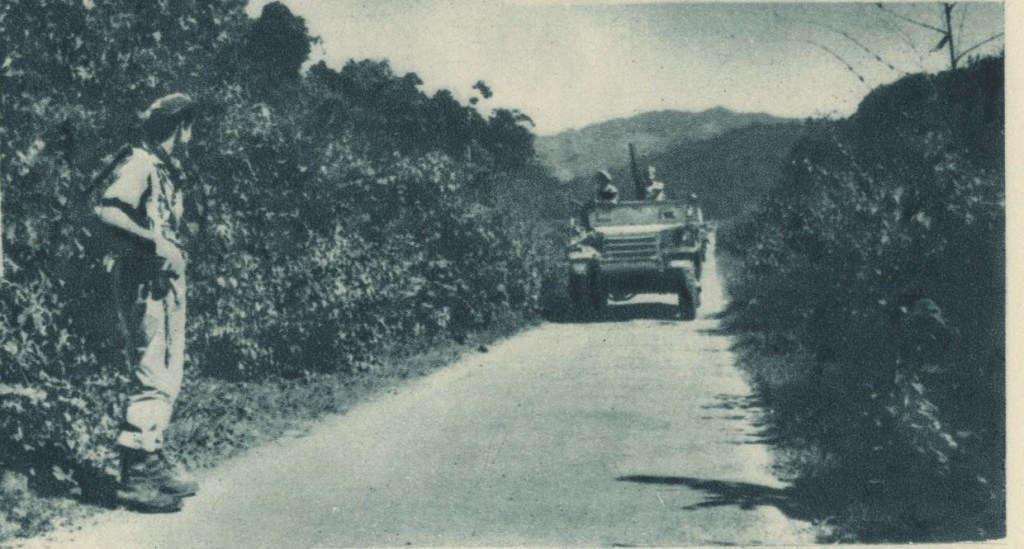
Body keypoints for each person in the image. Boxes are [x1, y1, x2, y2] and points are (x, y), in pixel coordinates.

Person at [94, 92, 198, 513]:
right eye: (189, 126)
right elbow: (109, 212)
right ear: (180, 126)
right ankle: (136, 474)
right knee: (152, 371)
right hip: (144, 281)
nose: (191, 135)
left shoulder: (162, 166)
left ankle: (151, 454)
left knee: (167, 372)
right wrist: (156, 244)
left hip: (162, 283)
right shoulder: (140, 162)